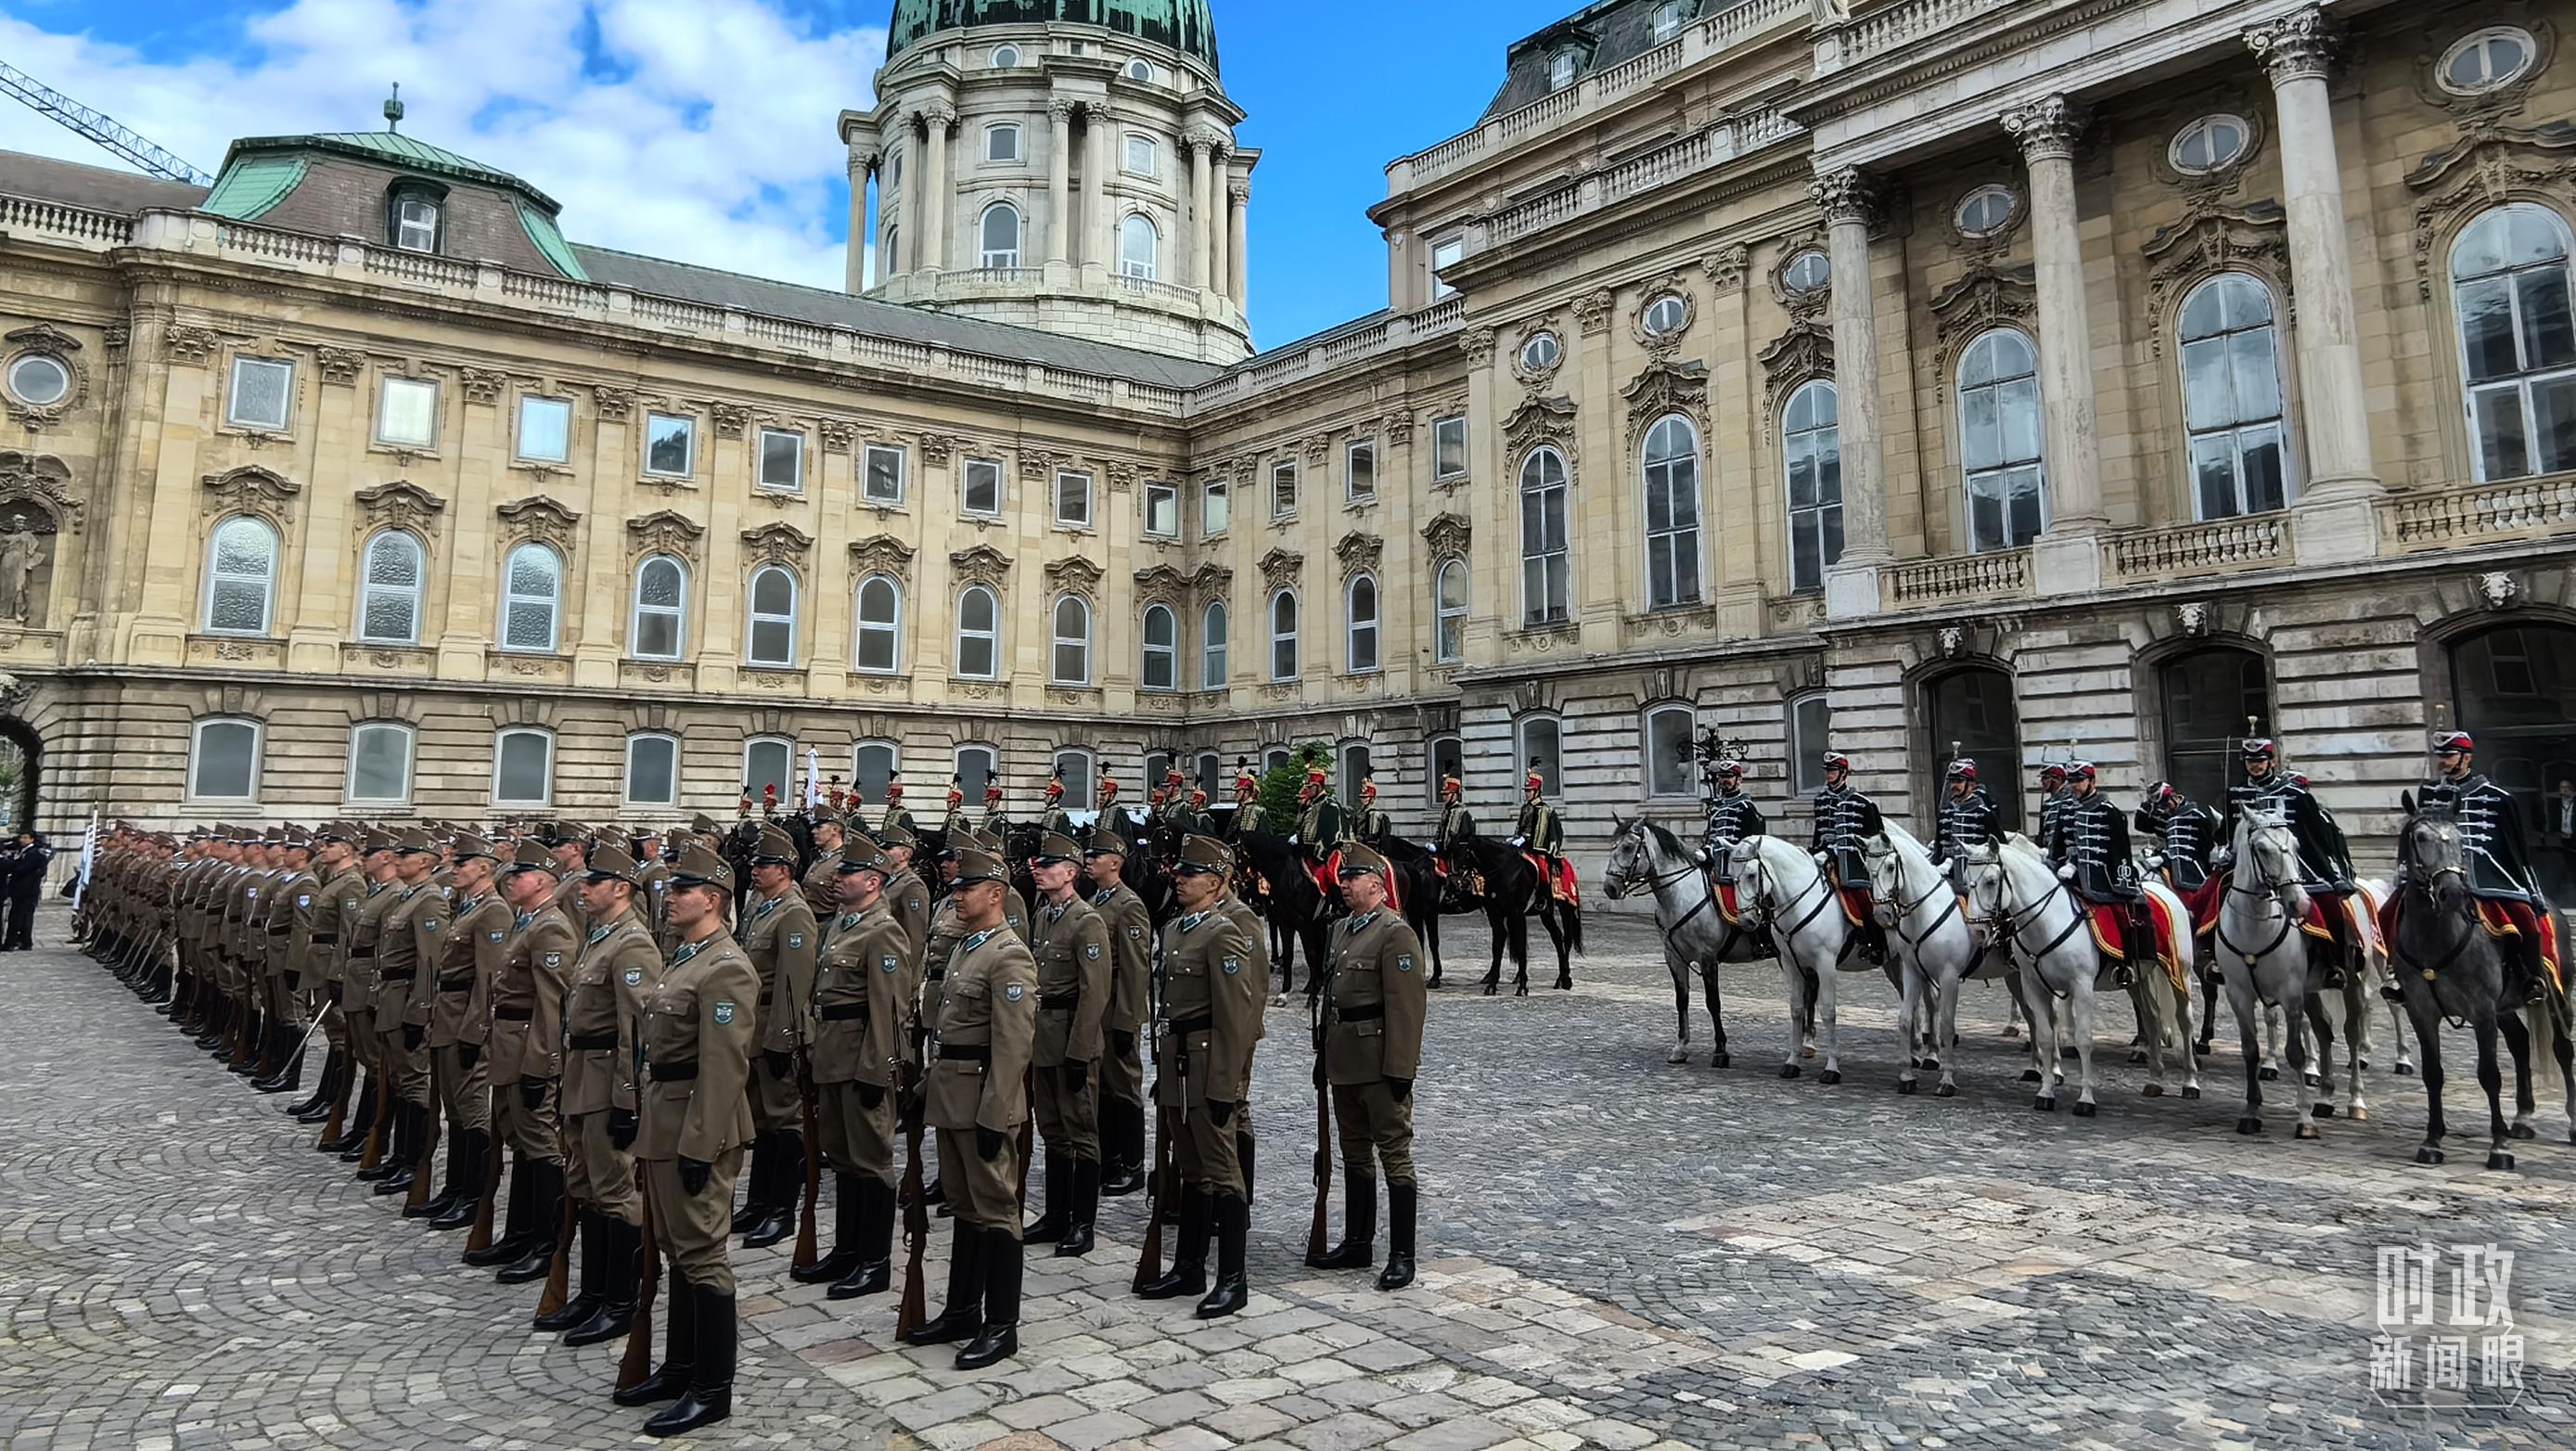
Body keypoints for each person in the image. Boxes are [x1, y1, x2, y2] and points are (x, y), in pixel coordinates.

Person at [610, 842, 759, 1437]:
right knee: (675, 1249)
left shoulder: (725, 965)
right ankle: (680, 1365)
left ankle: (712, 1387)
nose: (668, 897)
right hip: (666, 1119)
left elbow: (724, 1069)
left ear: (714, 899)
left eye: (681, 889)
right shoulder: (686, 956)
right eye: (668, 888)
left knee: (702, 1254)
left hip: (699, 1125)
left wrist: (700, 1146)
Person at [902, 843, 1038, 1369]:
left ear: (996, 893)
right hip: (952, 1091)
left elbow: (1013, 1044)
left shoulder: (1008, 954)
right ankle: (962, 1309)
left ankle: (1001, 1324)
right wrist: (926, 1088)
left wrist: (998, 1112)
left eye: (967, 887)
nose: (956, 894)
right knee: (963, 1206)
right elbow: (948, 1033)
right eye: (956, 887)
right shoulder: (966, 947)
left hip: (982, 1096)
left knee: (997, 1210)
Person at [1136, 834, 1266, 1319]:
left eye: (1190, 875)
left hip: (1209, 1062)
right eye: (1180, 873)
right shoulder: (1173, 930)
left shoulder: (1225, 931)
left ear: (1214, 883)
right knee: (1188, 1166)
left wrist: (1226, 1084)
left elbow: (1237, 1017)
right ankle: (1189, 1265)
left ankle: (1233, 1278)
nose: (1180, 879)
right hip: (1176, 1060)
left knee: (1221, 1169)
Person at [538, 841, 658, 1346]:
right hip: (583, 1076)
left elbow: (637, 1031)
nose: (581, 889)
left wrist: (628, 1101)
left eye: (592, 882)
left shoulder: (632, 944)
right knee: (585, 1187)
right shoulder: (599, 935)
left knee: (616, 1193)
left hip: (609, 1081)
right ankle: (593, 1292)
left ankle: (620, 1300)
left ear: (621, 888)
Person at [795, 836, 915, 1299]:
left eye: (845, 874)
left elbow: (888, 1011)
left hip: (861, 1061)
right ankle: (847, 1250)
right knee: (843, 1159)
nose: (836, 880)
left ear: (872, 881)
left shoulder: (882, 930)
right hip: (832, 1056)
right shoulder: (845, 924)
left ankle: (874, 1260)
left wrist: (878, 1070)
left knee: (871, 1163)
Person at [1308, 844, 1428, 1290]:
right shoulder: (1340, 929)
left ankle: (1401, 1254)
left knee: (1394, 1154)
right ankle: (1357, 1242)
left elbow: (1407, 1006)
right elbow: (1329, 1001)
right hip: (1343, 1058)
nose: (1343, 885)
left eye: (1352, 879)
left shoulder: (1394, 933)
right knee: (1353, 1152)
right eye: (1342, 879)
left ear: (1376, 885)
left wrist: (1401, 1068)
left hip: (1379, 1062)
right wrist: (1324, 1056)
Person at [473, 841, 576, 1284]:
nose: (511, 879)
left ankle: (545, 1242)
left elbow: (552, 1006)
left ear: (544, 881)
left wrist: (542, 1065)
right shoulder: (527, 921)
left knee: (540, 1145)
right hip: (510, 1046)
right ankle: (520, 1233)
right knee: (518, 1139)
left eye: (522, 873)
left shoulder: (551, 927)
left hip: (529, 1051)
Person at [2412, 731, 2560, 999]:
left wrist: (2530, 888)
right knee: (2391, 912)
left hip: (2489, 875)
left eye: (2448, 756)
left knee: (2525, 919)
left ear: (2466, 758)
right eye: (2440, 756)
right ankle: (2399, 974)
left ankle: (2531, 977)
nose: (2442, 761)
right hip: (2438, 874)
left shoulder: (2498, 797)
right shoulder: (2429, 793)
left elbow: (2517, 849)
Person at [1020, 830, 1111, 1256]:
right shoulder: (1044, 916)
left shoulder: (1085, 920)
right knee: (1052, 1130)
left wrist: (1080, 1050)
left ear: (1071, 873)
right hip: (1043, 1036)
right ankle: (1056, 1214)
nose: (1040, 872)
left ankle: (1082, 1222)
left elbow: (1094, 993)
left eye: (1049, 866)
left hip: (1072, 1036)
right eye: (1039, 865)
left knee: (1081, 1131)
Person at [734, 826, 817, 1251]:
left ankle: (782, 1210)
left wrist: (784, 1035)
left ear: (783, 870)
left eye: (763, 864)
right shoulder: (761, 908)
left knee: (785, 1121)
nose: (755, 870)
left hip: (774, 1024)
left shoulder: (793, 912)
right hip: (753, 1022)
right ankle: (759, 1201)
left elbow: (793, 981)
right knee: (762, 1119)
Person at [423, 832, 509, 1236]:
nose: (453, 869)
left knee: (473, 1112)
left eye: (462, 863)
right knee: (454, 1110)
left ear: (484, 868)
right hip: (448, 1017)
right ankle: (456, 1187)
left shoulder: (493, 912)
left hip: (466, 1024)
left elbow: (488, 981)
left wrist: (474, 1033)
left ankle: (476, 1197)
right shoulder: (467, 907)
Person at [2219, 738, 2361, 978]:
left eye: (2260, 761)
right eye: (2250, 761)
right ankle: (2211, 956)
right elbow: (2225, 831)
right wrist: (2222, 850)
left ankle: (2334, 962)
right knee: (2207, 898)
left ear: (2271, 761)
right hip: (2248, 864)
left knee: (2328, 904)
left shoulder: (2295, 794)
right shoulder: (2235, 793)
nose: (2255, 766)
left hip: (2296, 863)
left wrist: (2331, 872)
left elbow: (2317, 835)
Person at [1083, 824, 1153, 1197]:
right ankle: (1109, 1158)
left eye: (1095, 856)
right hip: (1098, 1011)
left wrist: (1127, 1019)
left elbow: (1135, 968)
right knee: (1104, 1089)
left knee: (1124, 1087)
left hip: (1117, 1010)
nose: (1088, 861)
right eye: (1088, 855)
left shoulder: (1128, 905)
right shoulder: (1097, 901)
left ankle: (1133, 1163)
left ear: (1116, 862)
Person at [2045, 764, 2147, 988]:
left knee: (2123, 913)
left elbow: (2120, 850)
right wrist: (2050, 864)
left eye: (2079, 780)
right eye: (2071, 781)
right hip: (2066, 875)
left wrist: (2122, 881)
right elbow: (2058, 846)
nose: (2074, 786)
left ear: (2092, 781)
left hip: (2103, 877)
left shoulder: (2109, 811)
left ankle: (2126, 963)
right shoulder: (2065, 810)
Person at [1808, 752, 1884, 963]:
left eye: (1832, 771)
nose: (1829, 775)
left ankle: (1874, 941)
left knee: (1860, 895)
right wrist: (1814, 852)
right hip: (1824, 857)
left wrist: (1833, 851)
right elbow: (1819, 831)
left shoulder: (1861, 803)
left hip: (1852, 860)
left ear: (1843, 773)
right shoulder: (1820, 800)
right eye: (1827, 771)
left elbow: (1874, 837)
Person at [1514, 763, 1577, 905]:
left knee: (1542, 870)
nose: (1527, 793)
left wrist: (1535, 844)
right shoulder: (1525, 808)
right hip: (1523, 847)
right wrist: (1516, 838)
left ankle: (1543, 896)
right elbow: (1521, 827)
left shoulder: (1546, 810)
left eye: (1530, 791)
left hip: (1539, 849)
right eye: (1526, 791)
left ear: (1537, 791)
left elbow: (1554, 833)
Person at [1930, 759, 2001, 867]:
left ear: (1971, 785)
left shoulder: (1985, 813)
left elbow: (1999, 847)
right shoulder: (1945, 812)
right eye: (1952, 781)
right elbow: (1938, 849)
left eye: (1959, 781)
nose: (1954, 786)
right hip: (1947, 871)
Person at [1294, 763, 1347, 892]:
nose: (1308, 790)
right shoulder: (1312, 806)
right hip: (1309, 853)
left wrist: (1321, 854)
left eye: (1310, 787)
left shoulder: (1330, 805)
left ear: (1318, 787)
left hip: (1328, 852)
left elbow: (1332, 834)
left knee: (1330, 874)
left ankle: (1337, 905)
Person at [3, 829, 50, 949]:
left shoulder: (33, 853)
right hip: (21, 890)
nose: (22, 840)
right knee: (23, 917)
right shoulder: (24, 851)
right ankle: (25, 941)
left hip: (26, 890)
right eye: (21, 837)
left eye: (25, 837)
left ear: (31, 839)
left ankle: (11, 942)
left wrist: (9, 863)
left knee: (17, 917)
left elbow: (21, 869)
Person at [2034, 763, 2072, 854]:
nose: (2042, 782)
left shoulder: (2070, 801)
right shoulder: (2047, 804)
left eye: (2046, 778)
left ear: (2058, 779)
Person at [1352, 772, 1391, 844]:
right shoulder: (1357, 814)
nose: (1363, 799)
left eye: (1366, 797)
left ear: (1371, 798)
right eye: (1362, 797)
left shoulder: (1378, 815)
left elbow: (1380, 835)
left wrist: (1365, 838)